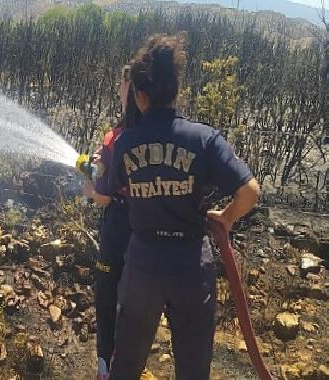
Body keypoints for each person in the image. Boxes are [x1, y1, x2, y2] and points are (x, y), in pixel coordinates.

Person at [100, 34, 261, 380]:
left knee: (126, 364)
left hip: (142, 264)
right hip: (190, 265)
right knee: (192, 367)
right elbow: (249, 190)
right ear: (176, 90)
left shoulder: (126, 142)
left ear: (140, 95)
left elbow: (108, 192)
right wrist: (227, 217)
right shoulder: (203, 139)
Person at [82, 65, 134, 380]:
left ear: (132, 88)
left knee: (107, 297)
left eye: (121, 83)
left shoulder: (119, 136)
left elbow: (104, 195)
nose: (118, 89)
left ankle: (107, 367)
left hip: (119, 230)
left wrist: (88, 187)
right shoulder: (150, 131)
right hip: (147, 236)